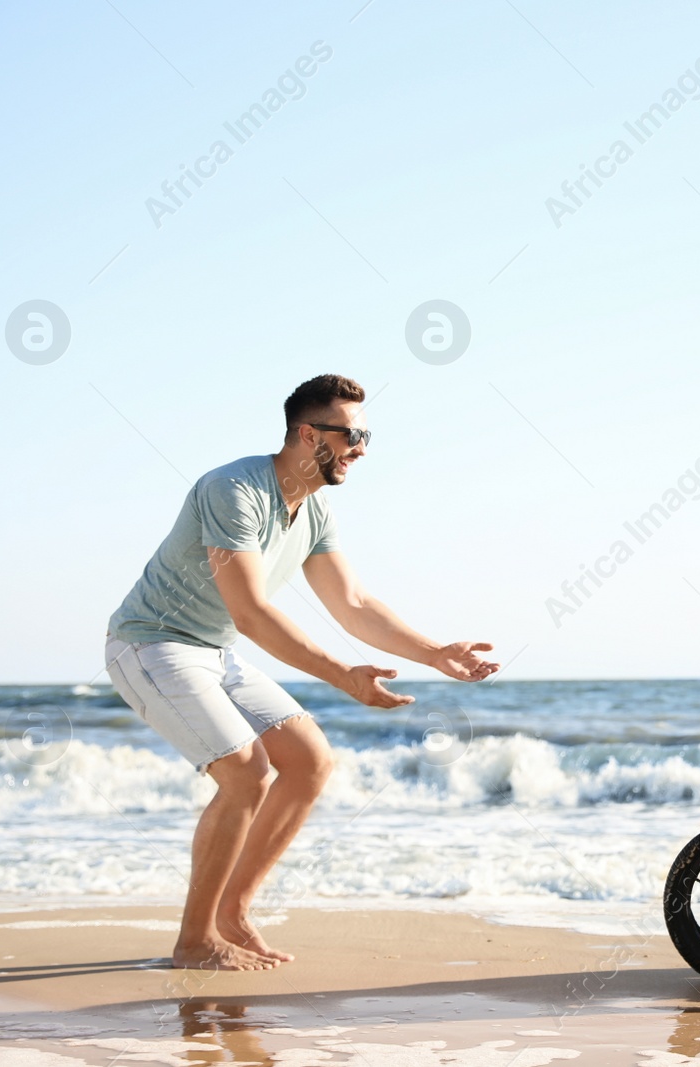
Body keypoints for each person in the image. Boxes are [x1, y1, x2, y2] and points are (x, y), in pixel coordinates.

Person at [104, 374, 499, 971]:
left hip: (215, 652)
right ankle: (194, 941)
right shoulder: (233, 490)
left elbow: (355, 605)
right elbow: (252, 612)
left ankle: (231, 914)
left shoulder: (314, 509)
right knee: (245, 773)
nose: (362, 447)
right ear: (308, 434)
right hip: (152, 644)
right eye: (353, 434)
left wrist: (435, 652)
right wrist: (343, 676)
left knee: (310, 761)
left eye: (367, 434)